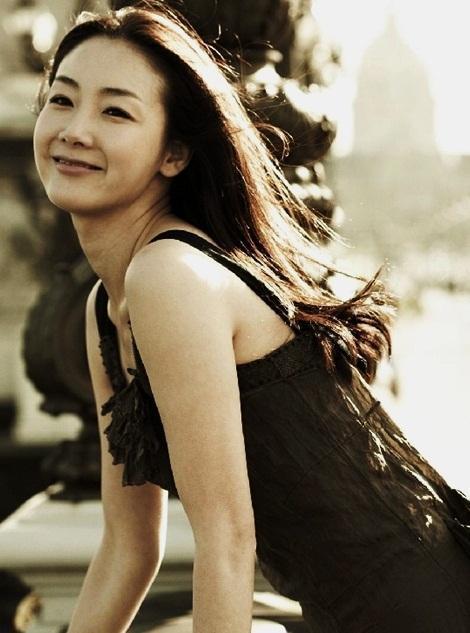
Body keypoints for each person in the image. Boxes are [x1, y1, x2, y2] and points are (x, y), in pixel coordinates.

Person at [32, 3, 470, 632]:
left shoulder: (169, 276)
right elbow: (129, 549)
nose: (75, 130)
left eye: (116, 112)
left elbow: (228, 542)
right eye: (62, 100)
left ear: (174, 153)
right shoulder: (107, 305)